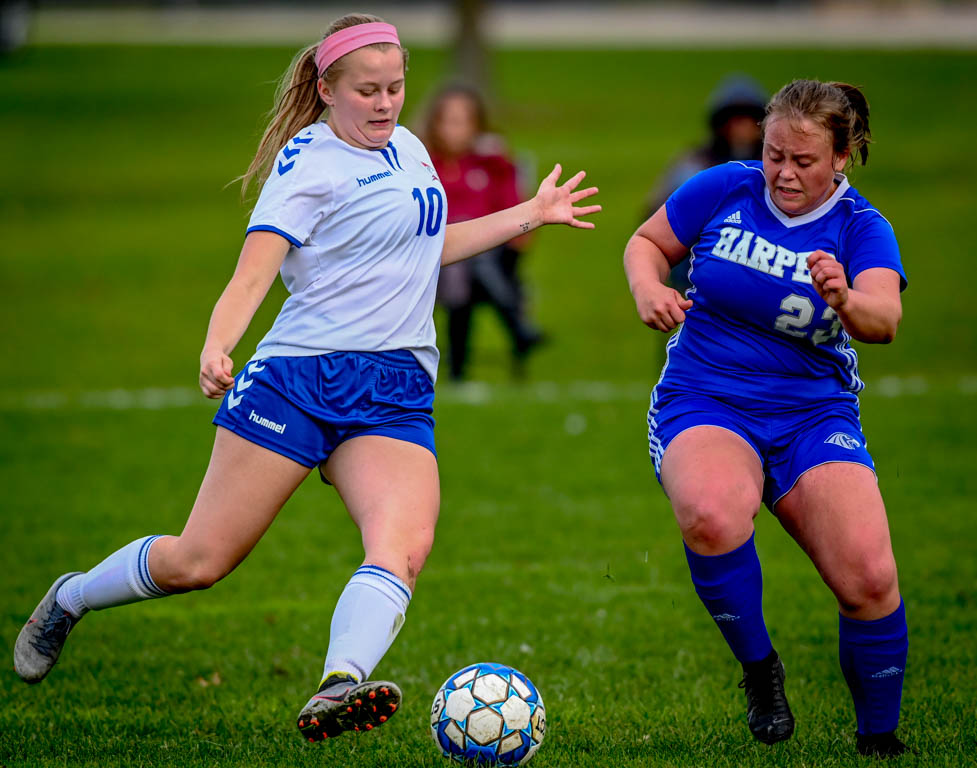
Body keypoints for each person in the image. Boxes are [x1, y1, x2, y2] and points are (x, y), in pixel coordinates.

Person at [13, 13, 600, 744]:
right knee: (199, 561)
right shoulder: (308, 165)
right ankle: (69, 599)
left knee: (403, 546)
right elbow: (252, 272)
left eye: (394, 88)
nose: (385, 103)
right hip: (299, 380)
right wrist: (217, 344)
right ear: (327, 89)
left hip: (394, 388)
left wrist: (527, 215)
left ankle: (339, 682)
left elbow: (424, 247)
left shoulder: (410, 148)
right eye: (367, 91)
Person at [624, 79, 909, 758]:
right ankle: (760, 672)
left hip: (813, 413)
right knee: (711, 513)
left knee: (867, 578)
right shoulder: (725, 185)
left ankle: (879, 739)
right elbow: (647, 240)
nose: (781, 172)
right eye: (773, 153)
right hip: (706, 397)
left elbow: (884, 320)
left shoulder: (860, 228)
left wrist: (843, 295)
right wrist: (647, 287)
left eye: (802, 161)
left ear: (839, 157)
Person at [422, 82, 545, 380]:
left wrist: (500, 158)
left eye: (464, 122)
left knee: (473, 263)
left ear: (477, 127)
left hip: (496, 261)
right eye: (449, 121)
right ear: (435, 125)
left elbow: (516, 214)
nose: (456, 130)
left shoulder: (492, 164)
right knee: (463, 264)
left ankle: (458, 367)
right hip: (434, 267)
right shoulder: (423, 165)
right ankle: (518, 327)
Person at [644, 74, 767, 294]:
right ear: (721, 124)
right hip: (696, 274)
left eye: (749, 119)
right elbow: (655, 214)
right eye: (734, 119)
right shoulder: (692, 165)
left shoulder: (775, 167)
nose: (742, 127)